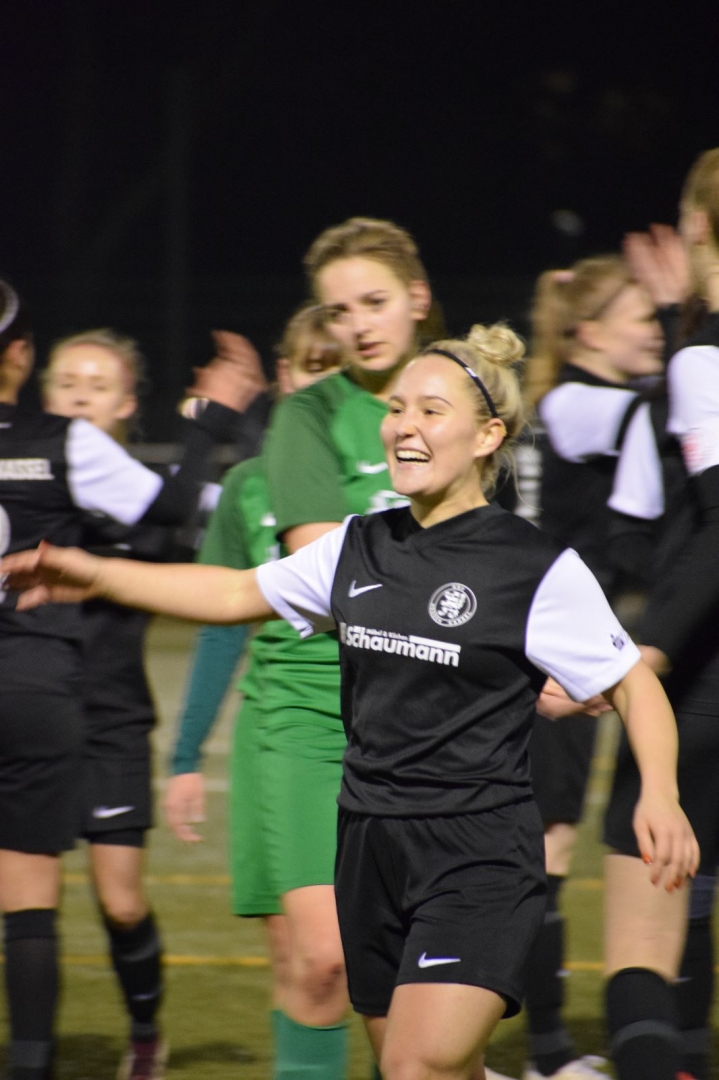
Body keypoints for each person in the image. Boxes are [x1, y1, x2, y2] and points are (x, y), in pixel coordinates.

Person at [1, 324, 698, 1080]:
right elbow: (232, 593)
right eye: (397, 409)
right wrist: (95, 573)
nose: (403, 426)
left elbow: (633, 683)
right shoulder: (357, 545)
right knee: (430, 1068)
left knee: (414, 1065)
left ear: (486, 436)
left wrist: (659, 794)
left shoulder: (533, 566)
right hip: (368, 848)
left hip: (476, 856)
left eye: (430, 410)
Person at [176, 215, 436, 1080]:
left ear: (417, 298)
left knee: (416, 983)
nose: (355, 326)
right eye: (336, 312)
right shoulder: (307, 418)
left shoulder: (460, 398)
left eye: (372, 302)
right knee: (323, 959)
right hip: (310, 712)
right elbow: (325, 574)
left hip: (429, 716)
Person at [0, 284, 259, 1080]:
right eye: (67, 381)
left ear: (126, 406)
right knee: (27, 896)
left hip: (108, 717)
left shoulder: (154, 499)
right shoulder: (43, 476)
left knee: (119, 900)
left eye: (98, 384)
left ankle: (144, 1030)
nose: (79, 394)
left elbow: (204, 519)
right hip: (38, 703)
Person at [493, 258, 663, 1080]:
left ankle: (539, 1047)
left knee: (535, 844)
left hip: (545, 643)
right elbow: (664, 412)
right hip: (549, 652)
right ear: (587, 333)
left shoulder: (569, 402)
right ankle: (548, 1053)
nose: (655, 331)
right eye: (641, 316)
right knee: (547, 847)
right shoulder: (579, 402)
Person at [163, 305, 344, 1077]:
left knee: (381, 958)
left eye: (339, 368)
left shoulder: (402, 475)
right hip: (279, 732)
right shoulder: (247, 484)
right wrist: (185, 757)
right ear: (284, 377)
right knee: (304, 958)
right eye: (311, 366)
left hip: (386, 728)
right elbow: (219, 629)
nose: (324, 383)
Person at [602, 147, 719, 1080]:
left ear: (697, 229)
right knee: (698, 888)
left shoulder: (704, 358)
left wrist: (649, 654)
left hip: (702, 675)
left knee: (640, 945)